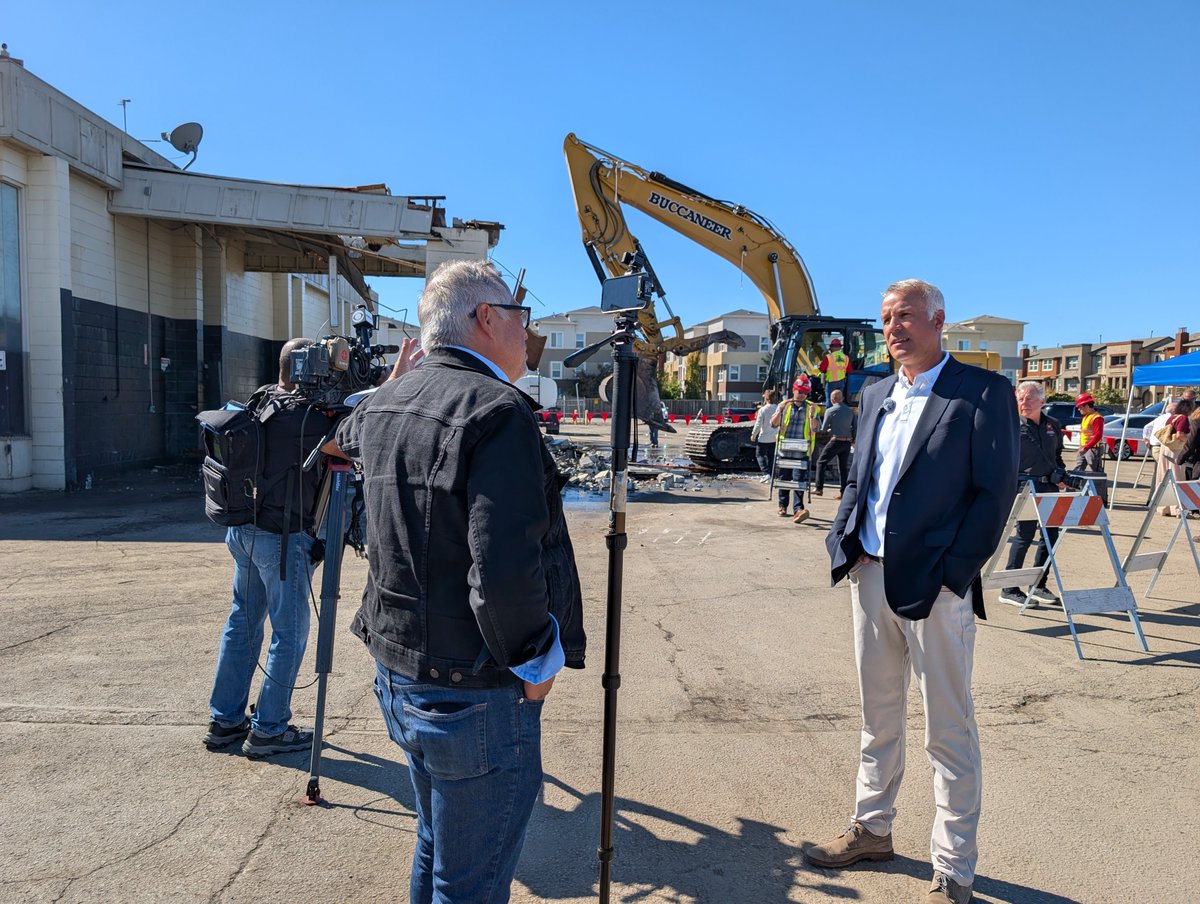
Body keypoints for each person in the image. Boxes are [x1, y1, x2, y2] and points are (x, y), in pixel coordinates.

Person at [334, 260, 585, 904]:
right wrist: (535, 661)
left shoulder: (387, 400)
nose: (525, 332)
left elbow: (339, 446)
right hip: (472, 689)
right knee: (468, 881)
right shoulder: (498, 411)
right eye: (519, 316)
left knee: (438, 847)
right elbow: (501, 569)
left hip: (400, 670)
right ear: (485, 319)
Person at [808, 279, 1018, 904]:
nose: (894, 328)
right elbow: (860, 476)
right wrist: (842, 541)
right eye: (886, 320)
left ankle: (953, 870)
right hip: (870, 577)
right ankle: (872, 829)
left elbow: (995, 495)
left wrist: (955, 574)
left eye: (905, 317)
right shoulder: (876, 392)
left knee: (947, 730)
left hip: (937, 588)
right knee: (878, 719)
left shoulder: (981, 393)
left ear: (938, 320)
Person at [204, 338, 337, 758]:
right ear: (307, 369)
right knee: (289, 634)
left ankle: (225, 721)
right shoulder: (307, 420)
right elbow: (357, 433)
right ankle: (269, 729)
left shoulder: (262, 400)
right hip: (281, 541)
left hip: (243, 532)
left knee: (242, 622)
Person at [998, 382, 1067, 608]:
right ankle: (1009, 588)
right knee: (1023, 537)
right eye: (1020, 399)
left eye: (1028, 399)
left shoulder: (1053, 425)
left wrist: (1062, 473)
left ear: (1041, 401)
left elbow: (1057, 455)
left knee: (1050, 538)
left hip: (1050, 489)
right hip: (1024, 488)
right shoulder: (1011, 425)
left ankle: (1038, 584)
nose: (1023, 403)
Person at [771, 375, 821, 524]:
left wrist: (812, 415)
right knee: (784, 479)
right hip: (785, 449)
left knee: (799, 481)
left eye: (805, 393)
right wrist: (779, 411)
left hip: (802, 451)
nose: (802, 396)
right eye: (800, 392)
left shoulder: (812, 407)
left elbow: (816, 427)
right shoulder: (784, 406)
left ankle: (798, 510)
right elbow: (773, 424)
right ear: (793, 390)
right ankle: (782, 506)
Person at [813, 389, 854, 499]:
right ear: (843, 399)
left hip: (835, 441)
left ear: (831, 400)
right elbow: (854, 427)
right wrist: (853, 441)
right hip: (846, 443)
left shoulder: (830, 411)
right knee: (843, 468)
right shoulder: (850, 411)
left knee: (821, 462)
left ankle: (819, 488)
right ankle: (843, 492)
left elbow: (824, 429)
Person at [1156, 399, 1194, 516]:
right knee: (1177, 478)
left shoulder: (1171, 417)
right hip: (1175, 450)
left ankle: (1163, 507)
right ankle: (1177, 509)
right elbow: (1179, 434)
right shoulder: (1183, 418)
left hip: (1165, 447)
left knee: (1163, 477)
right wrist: (1189, 441)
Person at [1073, 392, 1107, 501]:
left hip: (1093, 449)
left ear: (1087, 405)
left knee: (1097, 474)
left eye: (1080, 407)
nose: (1079, 409)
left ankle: (1101, 498)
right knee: (1077, 470)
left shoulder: (1097, 418)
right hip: (1085, 447)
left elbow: (1098, 435)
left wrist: (1087, 446)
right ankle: (1075, 494)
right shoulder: (1087, 417)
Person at [750, 389, 781, 483]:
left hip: (764, 438)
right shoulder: (778, 408)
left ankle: (766, 473)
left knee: (759, 455)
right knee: (771, 456)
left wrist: (754, 434)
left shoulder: (763, 410)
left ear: (766, 398)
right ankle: (771, 475)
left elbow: (758, 424)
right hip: (775, 437)